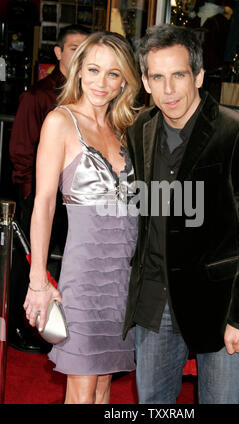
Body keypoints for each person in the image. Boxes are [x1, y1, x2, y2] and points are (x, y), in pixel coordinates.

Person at [123, 24, 239, 404]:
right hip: (156, 301)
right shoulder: (140, 128)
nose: (169, 89)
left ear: (199, 75)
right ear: (145, 81)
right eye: (157, 77)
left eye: (178, 75)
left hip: (219, 305)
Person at [23, 31, 140, 404]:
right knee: (83, 384)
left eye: (112, 74)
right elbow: (43, 203)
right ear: (77, 71)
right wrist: (38, 280)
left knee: (105, 382)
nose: (101, 83)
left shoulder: (127, 127)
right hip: (85, 277)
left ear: (125, 80)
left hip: (125, 277)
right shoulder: (60, 121)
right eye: (93, 70)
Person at [8, 24, 90, 353]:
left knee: (66, 265)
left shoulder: (91, 94)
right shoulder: (38, 95)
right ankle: (24, 330)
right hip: (42, 199)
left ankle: (61, 329)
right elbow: (20, 152)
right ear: (58, 53)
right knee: (33, 264)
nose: (80, 55)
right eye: (73, 48)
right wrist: (32, 199)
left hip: (77, 201)